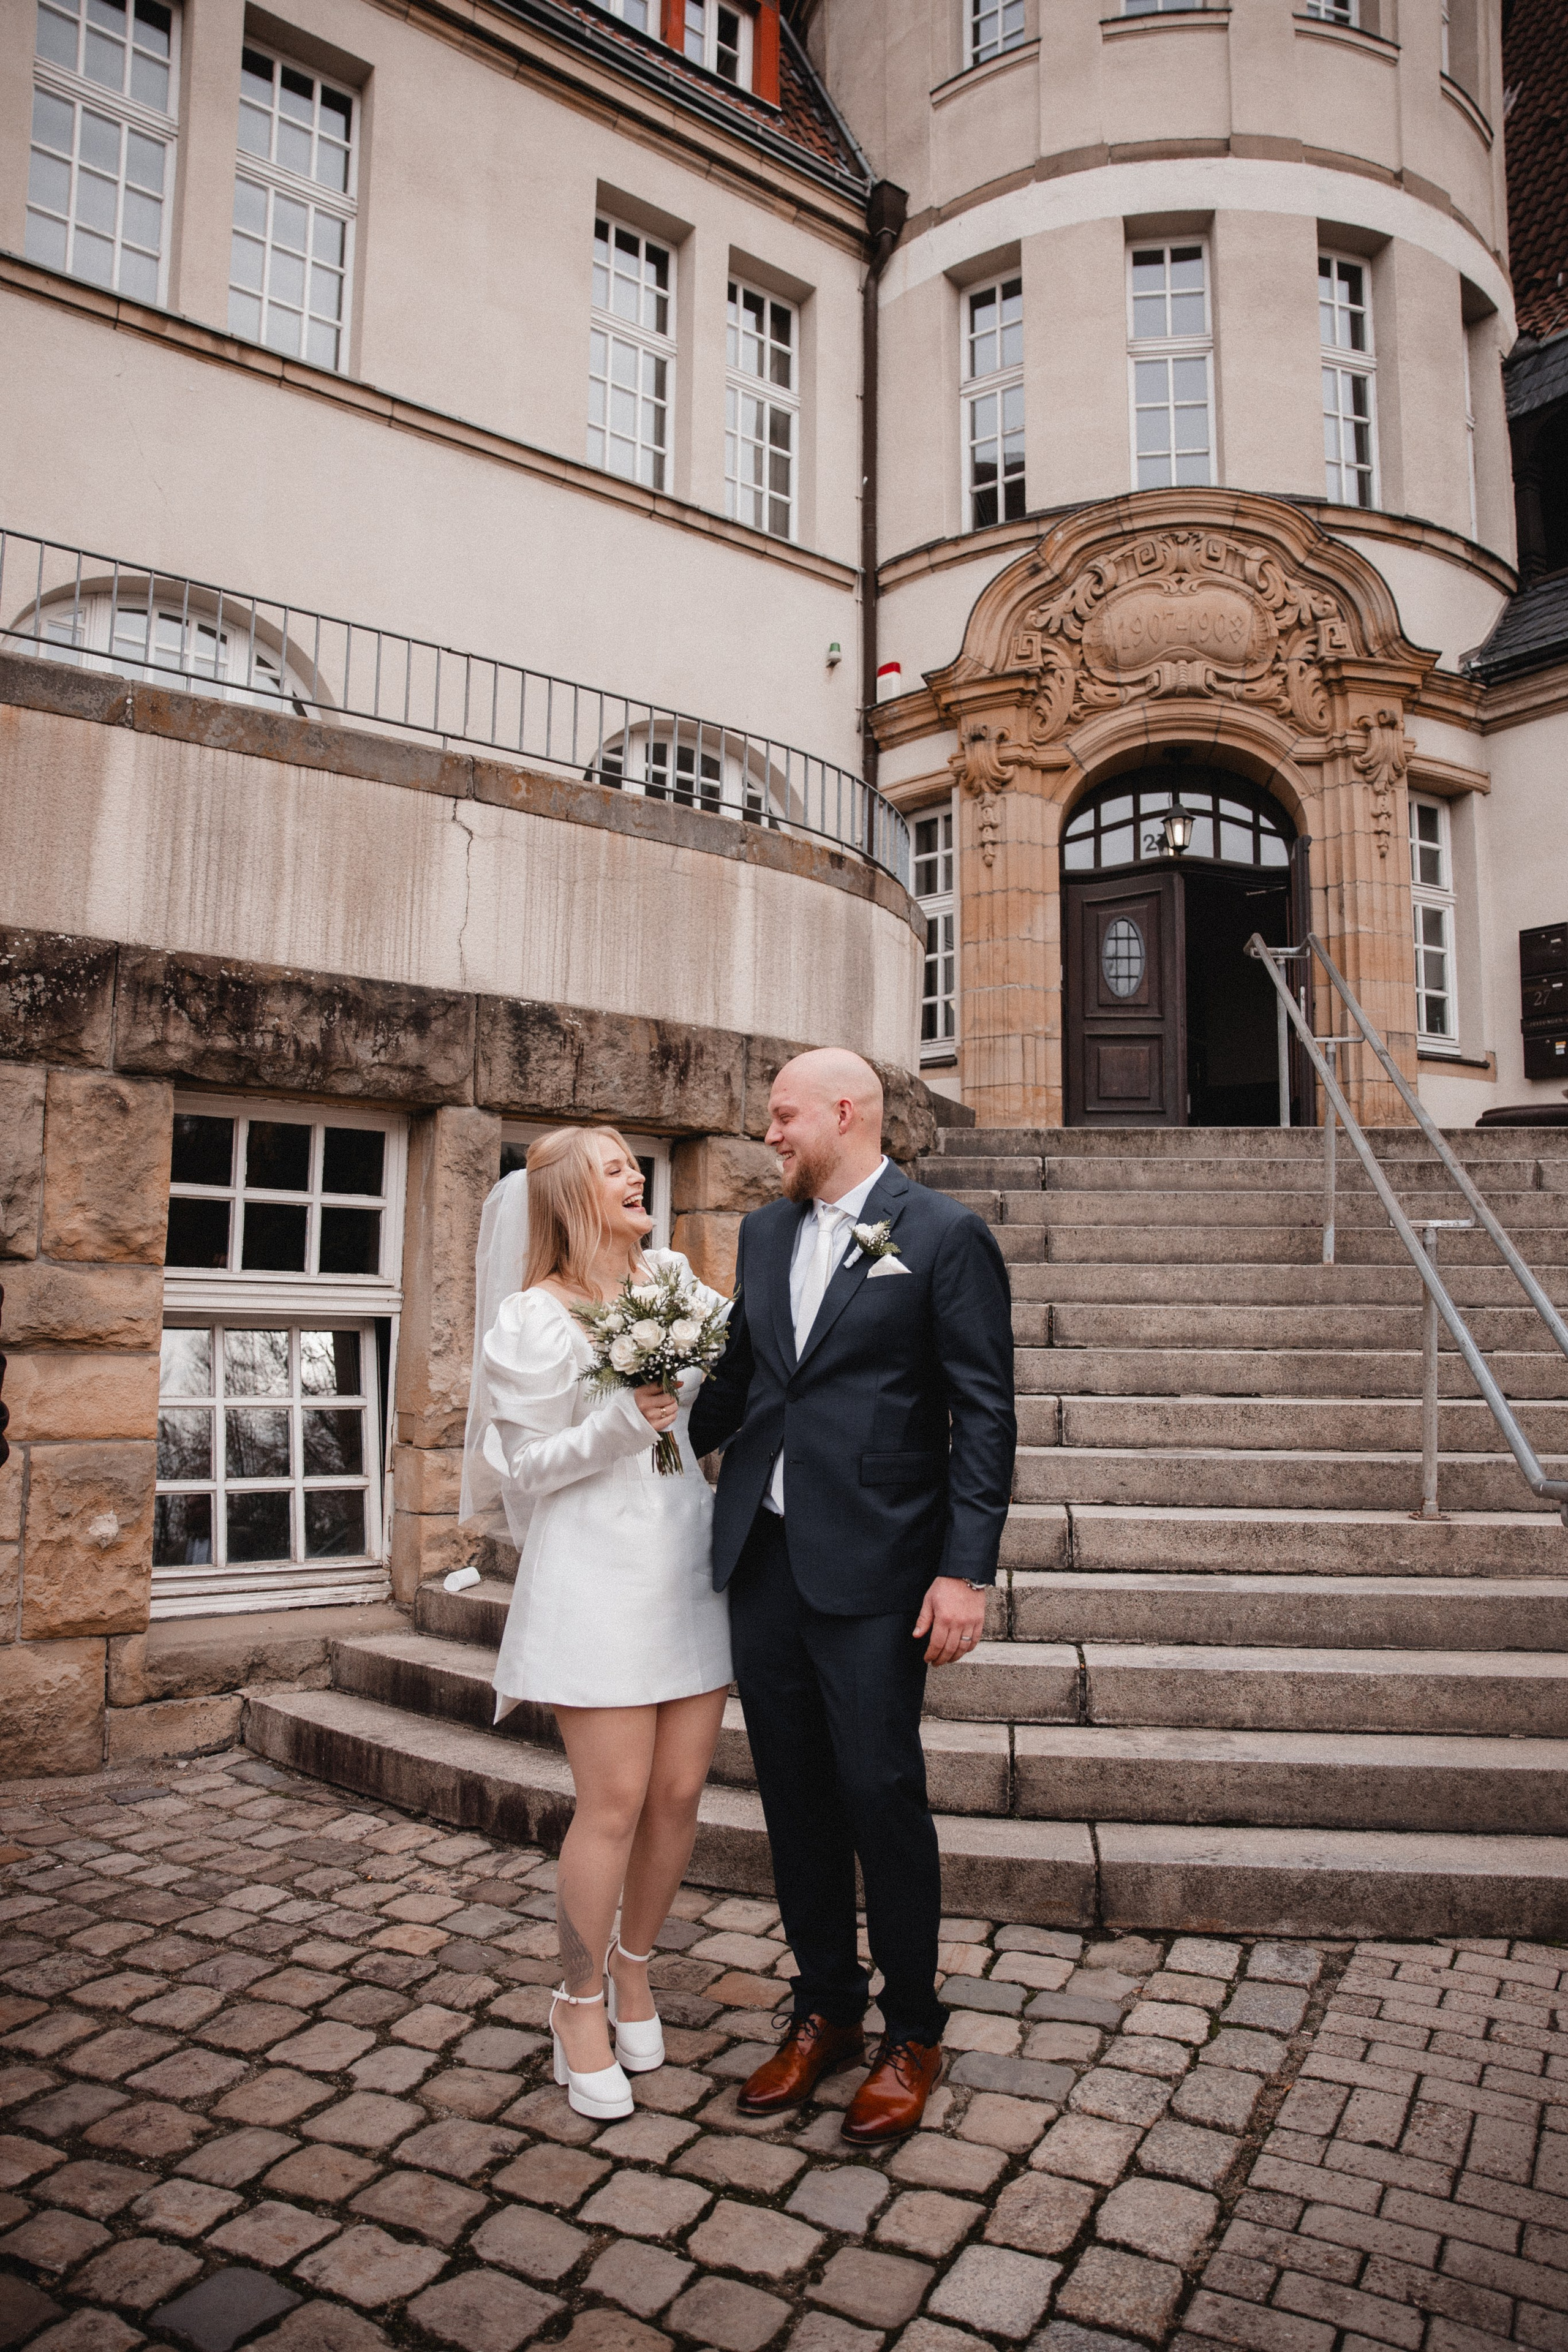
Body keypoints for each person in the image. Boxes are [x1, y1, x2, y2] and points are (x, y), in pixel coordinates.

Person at [688, 1047, 1016, 2143]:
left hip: (879, 1568)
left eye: (783, 1116)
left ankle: (913, 2028)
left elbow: (984, 1414)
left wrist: (965, 1570)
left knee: (880, 1793)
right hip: (767, 1559)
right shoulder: (764, 1232)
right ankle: (826, 2005)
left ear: (845, 1113)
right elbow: (744, 1377)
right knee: (792, 1795)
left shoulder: (945, 1235)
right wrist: (642, 1428)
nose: (769, 1134)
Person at [460, 1126, 731, 2120]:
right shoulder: (532, 1318)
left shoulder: (673, 1280)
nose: (635, 1175)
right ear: (573, 1195)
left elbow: (750, 1360)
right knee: (612, 1801)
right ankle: (575, 2004)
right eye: (614, 1167)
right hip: (594, 1573)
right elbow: (523, 1469)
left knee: (679, 1792)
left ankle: (633, 1967)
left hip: (686, 1556)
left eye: (633, 1163)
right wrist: (620, 1421)